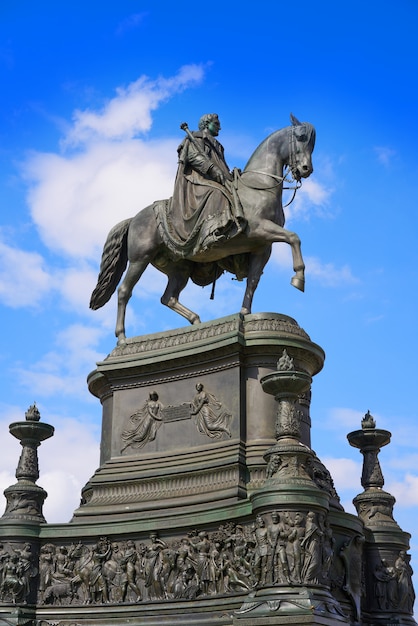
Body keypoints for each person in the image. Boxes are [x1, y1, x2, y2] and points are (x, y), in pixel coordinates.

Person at [165, 113, 246, 257]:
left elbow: (221, 166)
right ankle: (210, 232)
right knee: (217, 193)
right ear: (206, 124)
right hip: (197, 179)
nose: (220, 127)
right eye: (217, 124)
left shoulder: (217, 146)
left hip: (214, 179)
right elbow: (193, 156)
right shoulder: (196, 138)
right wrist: (211, 169)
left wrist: (230, 174)